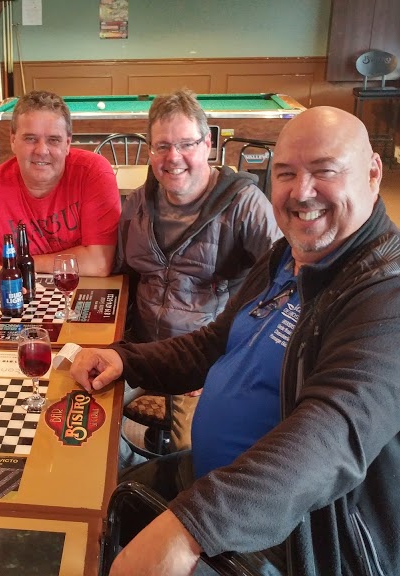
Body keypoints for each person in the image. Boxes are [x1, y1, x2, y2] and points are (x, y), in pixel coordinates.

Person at [72, 106, 400, 575]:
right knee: (87, 515)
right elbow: (214, 344)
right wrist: (126, 360)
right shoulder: (288, 255)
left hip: (312, 535)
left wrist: (192, 525)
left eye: (324, 170)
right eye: (285, 173)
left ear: (373, 173)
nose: (301, 192)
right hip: (217, 480)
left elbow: (331, 438)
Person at [116, 89, 281, 455]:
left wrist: (231, 362)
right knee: (77, 413)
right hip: (141, 353)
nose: (173, 157)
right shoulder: (137, 203)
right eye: (162, 146)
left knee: (194, 459)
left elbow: (285, 287)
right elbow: (122, 274)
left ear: (208, 144)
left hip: (205, 365)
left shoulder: (245, 205)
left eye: (186, 144)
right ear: (150, 151)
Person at [0, 90, 121, 286]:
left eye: (53, 140)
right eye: (30, 139)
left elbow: (99, 263)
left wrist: (20, 265)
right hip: (19, 295)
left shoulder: (92, 172)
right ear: (13, 141)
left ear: (67, 143)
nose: (42, 151)